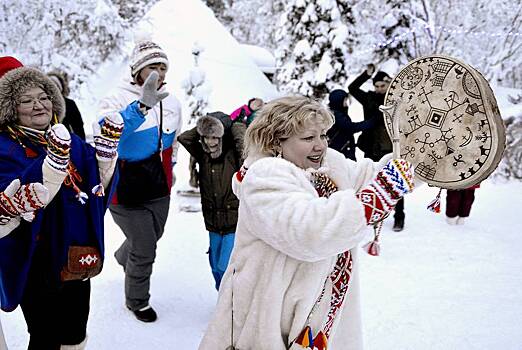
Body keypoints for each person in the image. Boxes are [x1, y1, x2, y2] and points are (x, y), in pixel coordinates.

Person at [199, 95, 414, 350]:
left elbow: (370, 177)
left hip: (318, 315)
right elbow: (310, 230)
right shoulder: (264, 176)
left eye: (323, 135)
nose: (320, 145)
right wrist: (382, 192)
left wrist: (418, 159)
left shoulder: (330, 163)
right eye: (308, 138)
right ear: (276, 139)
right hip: (269, 318)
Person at [0, 58, 122, 349]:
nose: (39, 105)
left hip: (75, 252)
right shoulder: (4, 147)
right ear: (9, 109)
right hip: (36, 257)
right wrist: (49, 168)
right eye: (26, 100)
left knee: (75, 331)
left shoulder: (72, 141)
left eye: (44, 97)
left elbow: (95, 191)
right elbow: (11, 198)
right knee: (45, 335)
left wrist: (105, 162)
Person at [98, 40, 183, 323]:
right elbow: (106, 132)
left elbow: (172, 143)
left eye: (162, 67)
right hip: (124, 187)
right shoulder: (116, 97)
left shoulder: (171, 100)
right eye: (152, 67)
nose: (158, 73)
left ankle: (127, 256)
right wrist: (141, 107)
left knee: (149, 239)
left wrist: (171, 170)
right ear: (137, 70)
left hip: (158, 185)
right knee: (146, 247)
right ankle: (137, 300)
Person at [178, 112, 245, 290]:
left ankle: (229, 298)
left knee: (225, 266)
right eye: (206, 137)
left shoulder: (234, 155)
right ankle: (223, 295)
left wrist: (232, 126)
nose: (211, 142)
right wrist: (206, 125)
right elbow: (184, 138)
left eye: (215, 137)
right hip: (212, 220)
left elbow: (244, 144)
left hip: (233, 220)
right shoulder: (203, 154)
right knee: (215, 265)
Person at [349, 64, 406, 232]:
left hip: (392, 149)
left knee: (396, 182)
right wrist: (366, 74)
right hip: (372, 148)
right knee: (373, 182)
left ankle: (399, 217)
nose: (380, 89)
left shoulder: (397, 99)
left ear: (389, 85)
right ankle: (375, 214)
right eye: (377, 86)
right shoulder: (369, 98)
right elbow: (352, 87)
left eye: (383, 85)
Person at [326, 89, 375, 161]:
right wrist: (370, 122)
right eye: (345, 100)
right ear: (339, 101)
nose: (347, 103)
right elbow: (350, 127)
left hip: (343, 148)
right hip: (343, 150)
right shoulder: (337, 115)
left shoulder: (336, 112)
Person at [47, 70, 86, 140]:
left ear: (60, 89)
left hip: (69, 143)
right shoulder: (42, 105)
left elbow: (78, 127)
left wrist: (81, 146)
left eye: (55, 87)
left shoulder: (69, 104)